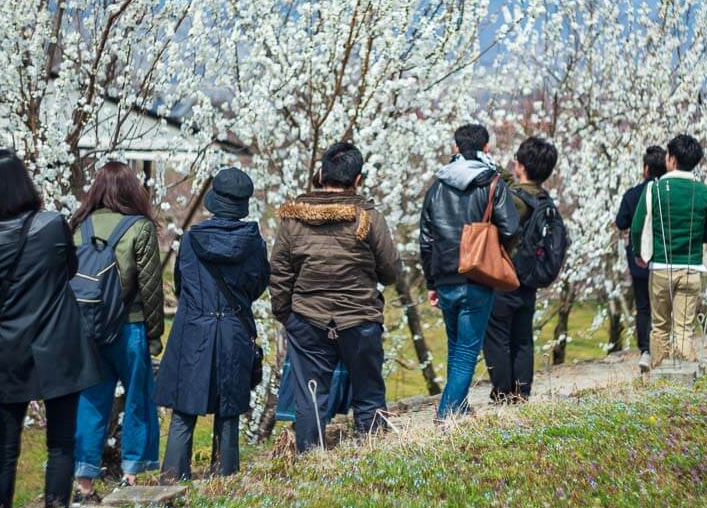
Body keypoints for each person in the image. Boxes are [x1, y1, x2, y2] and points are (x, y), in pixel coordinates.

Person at [0, 150, 103, 508]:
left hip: (8, 345)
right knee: (61, 439)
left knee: (6, 438)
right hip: (59, 339)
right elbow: (70, 269)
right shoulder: (52, 225)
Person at [270, 142, 400, 453]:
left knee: (311, 398)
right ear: (357, 180)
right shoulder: (368, 218)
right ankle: (373, 457)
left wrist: (287, 316)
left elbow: (279, 273)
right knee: (368, 394)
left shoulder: (292, 219)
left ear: (320, 175)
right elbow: (390, 272)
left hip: (307, 319)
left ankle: (311, 464)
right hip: (360, 318)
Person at [155, 167, 269, 478]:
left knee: (184, 408)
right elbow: (258, 285)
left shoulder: (191, 240)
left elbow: (181, 284)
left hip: (194, 328)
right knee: (229, 410)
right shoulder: (255, 243)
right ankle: (225, 479)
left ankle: (172, 477)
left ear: (214, 200)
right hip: (234, 328)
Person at [70, 162, 164, 501]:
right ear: (132, 190)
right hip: (129, 325)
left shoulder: (79, 225)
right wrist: (154, 336)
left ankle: (83, 484)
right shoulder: (140, 228)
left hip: (88, 329)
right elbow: (151, 288)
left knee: (91, 401)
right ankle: (130, 477)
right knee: (139, 399)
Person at [419, 124, 519, 420]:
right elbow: (511, 228)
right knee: (466, 352)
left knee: (456, 347)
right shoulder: (492, 183)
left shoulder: (437, 187)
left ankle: (459, 408)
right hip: (476, 277)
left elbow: (425, 240)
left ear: (456, 148)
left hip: (445, 277)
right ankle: (446, 414)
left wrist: (431, 281)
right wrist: (496, 248)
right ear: (485, 148)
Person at [630, 134, 707, 369]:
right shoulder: (706, 193)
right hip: (691, 269)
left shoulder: (655, 189)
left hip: (661, 268)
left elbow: (638, 227)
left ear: (671, 159)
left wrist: (639, 254)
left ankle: (659, 374)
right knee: (684, 328)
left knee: (660, 327)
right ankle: (684, 378)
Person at [483, 136, 558, 402]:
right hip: (529, 279)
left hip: (506, 276)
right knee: (522, 337)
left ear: (522, 165)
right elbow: (513, 182)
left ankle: (502, 392)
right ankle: (521, 392)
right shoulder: (543, 198)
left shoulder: (514, 201)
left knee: (497, 337)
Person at [614, 145, 667, 373]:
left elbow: (621, 222)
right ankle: (663, 347)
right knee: (664, 305)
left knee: (643, 306)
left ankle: (646, 350)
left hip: (640, 261)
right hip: (665, 258)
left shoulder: (633, 194)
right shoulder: (668, 194)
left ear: (646, 168)